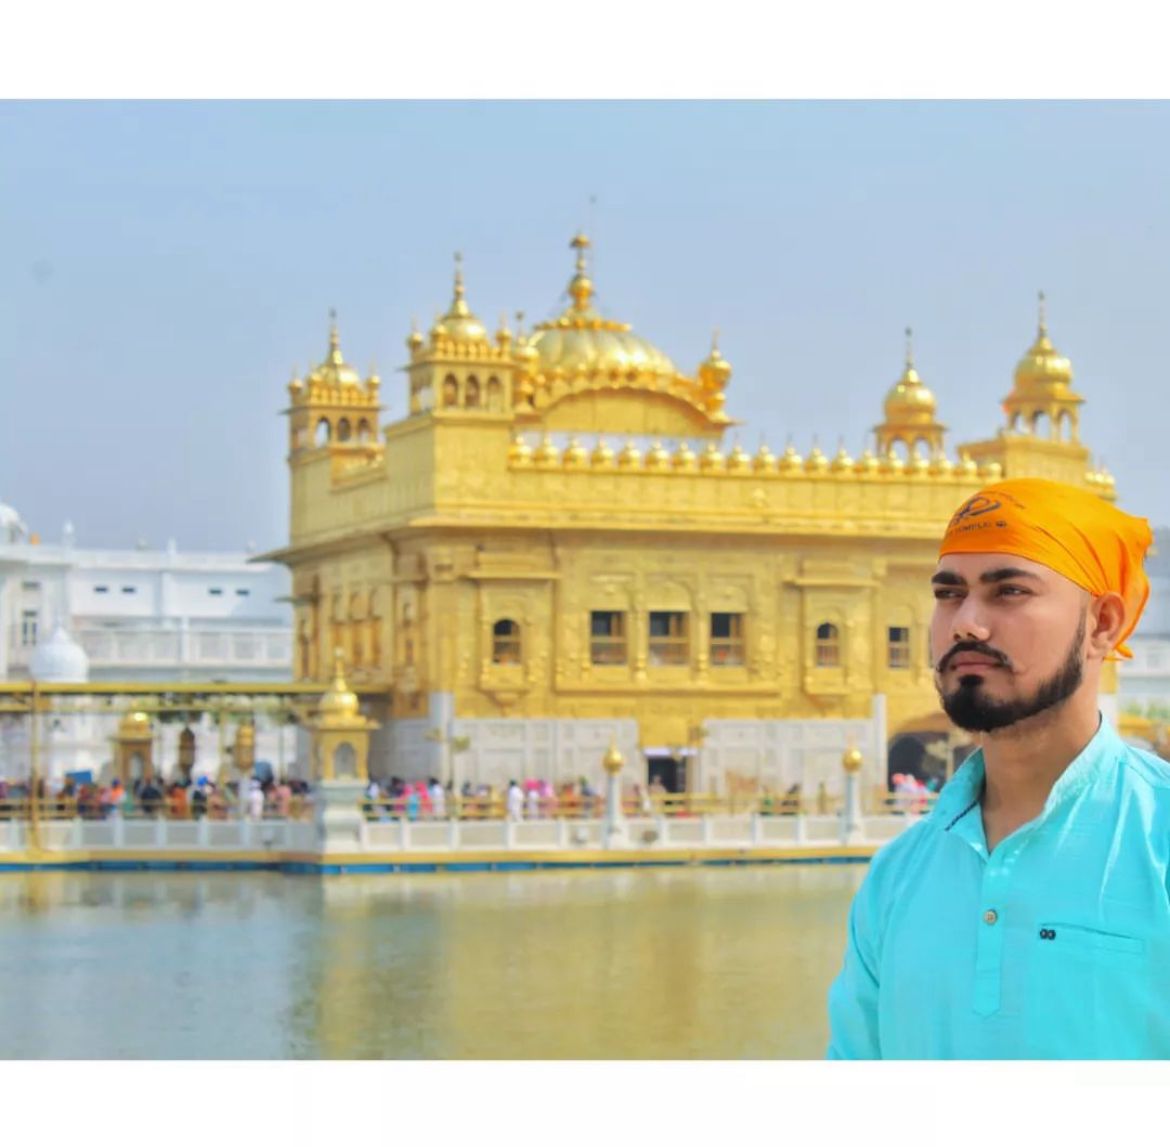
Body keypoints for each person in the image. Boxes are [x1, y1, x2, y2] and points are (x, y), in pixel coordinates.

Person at [827, 477, 1170, 1059]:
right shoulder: (898, 877)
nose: (966, 622)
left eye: (1008, 591)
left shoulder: (1154, 840)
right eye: (948, 593)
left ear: (1103, 624)